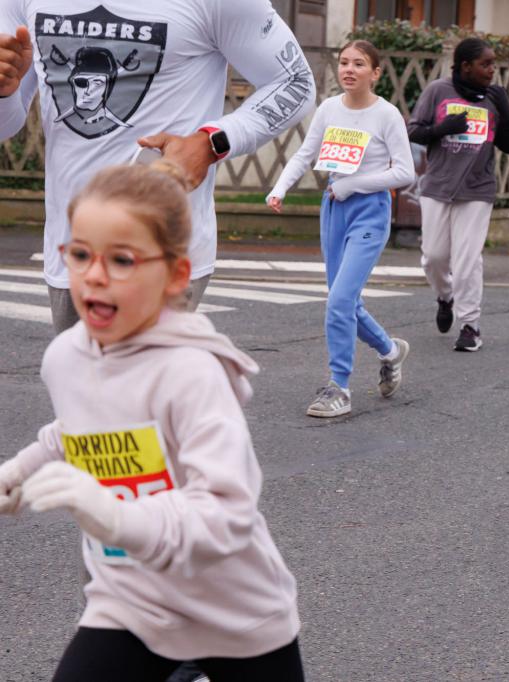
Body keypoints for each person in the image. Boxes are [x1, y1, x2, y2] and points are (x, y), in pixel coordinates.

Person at [0, 163, 304, 680]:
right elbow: (70, 433)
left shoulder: (189, 372)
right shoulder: (65, 358)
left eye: (121, 259)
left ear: (175, 276)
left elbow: (226, 510)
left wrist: (115, 517)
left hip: (231, 608)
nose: (93, 275)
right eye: (79, 255)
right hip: (131, 602)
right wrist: (14, 474)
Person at [0, 1, 315, 332]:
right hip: (73, 252)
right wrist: (4, 93)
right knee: (80, 379)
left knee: (140, 381)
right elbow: (5, 125)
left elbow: (294, 81)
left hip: (160, 253)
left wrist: (212, 142)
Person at [267, 40, 413, 418]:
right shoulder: (329, 108)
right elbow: (305, 153)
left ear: (375, 73)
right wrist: (280, 188)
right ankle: (390, 350)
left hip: (369, 211)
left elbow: (405, 171)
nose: (349, 69)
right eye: (344, 63)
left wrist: (353, 185)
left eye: (359, 64)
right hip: (333, 211)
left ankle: (339, 387)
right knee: (343, 300)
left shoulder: (387, 115)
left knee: (339, 301)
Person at [407, 37, 509, 352]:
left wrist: (506, 111)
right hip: (437, 186)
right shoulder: (438, 91)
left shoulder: (494, 97)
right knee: (433, 256)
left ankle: (470, 325)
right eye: (485, 64)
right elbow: (414, 130)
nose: (491, 70)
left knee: (467, 260)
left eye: (493, 64)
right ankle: (445, 296)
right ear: (465, 66)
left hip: (476, 189)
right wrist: (442, 128)